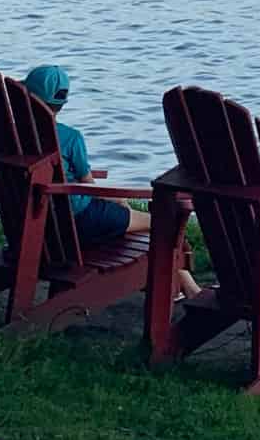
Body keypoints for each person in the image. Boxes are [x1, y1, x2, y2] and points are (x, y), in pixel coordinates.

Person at [22, 64, 198, 298]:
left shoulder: (13, 135)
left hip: (36, 224)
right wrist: (119, 199)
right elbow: (87, 185)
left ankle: (186, 286)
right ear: (61, 104)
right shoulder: (70, 138)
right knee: (165, 224)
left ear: (27, 96)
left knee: (134, 226)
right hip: (79, 223)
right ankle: (185, 288)